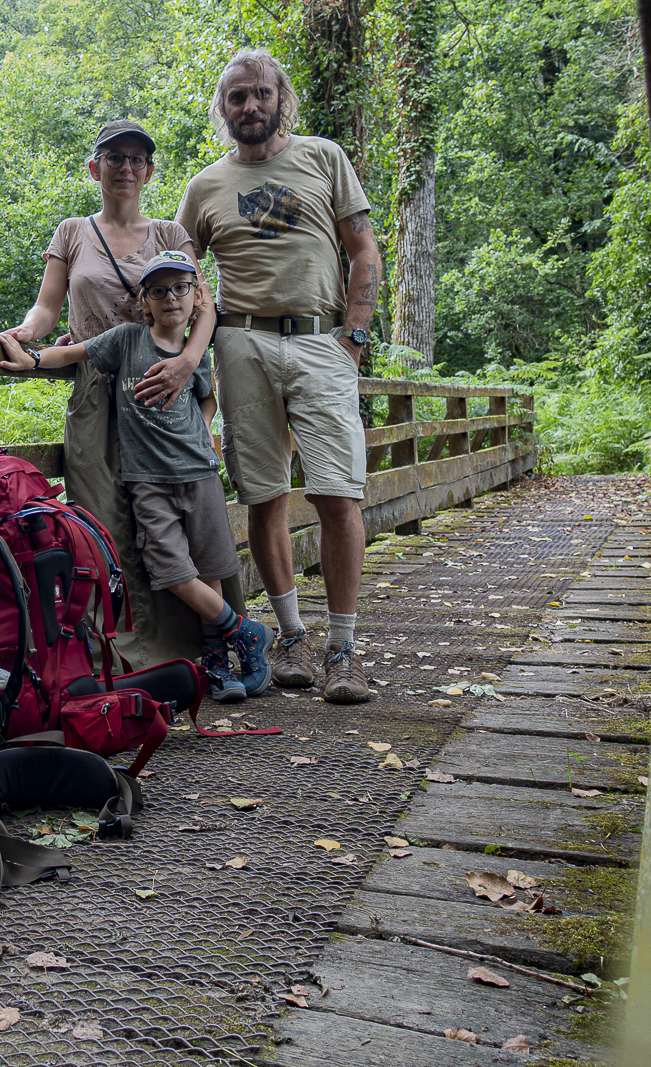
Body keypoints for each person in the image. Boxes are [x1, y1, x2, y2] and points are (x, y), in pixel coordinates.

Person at [174, 48, 383, 704]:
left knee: (336, 492)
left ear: (280, 98)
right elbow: (179, 275)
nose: (250, 106)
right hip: (243, 344)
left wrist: (355, 334)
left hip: (322, 338)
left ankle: (343, 648)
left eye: (260, 93)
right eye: (237, 98)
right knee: (263, 494)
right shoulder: (206, 186)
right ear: (224, 109)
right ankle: (292, 636)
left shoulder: (324, 158)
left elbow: (363, 248)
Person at [0, 251, 274, 702]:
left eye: (180, 288)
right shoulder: (127, 339)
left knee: (211, 567)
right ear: (144, 302)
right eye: (159, 290)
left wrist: (204, 428)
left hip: (199, 473)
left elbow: (208, 398)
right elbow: (75, 351)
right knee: (172, 571)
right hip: (146, 480)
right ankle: (247, 630)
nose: (170, 297)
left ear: (194, 296)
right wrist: (33, 359)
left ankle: (218, 659)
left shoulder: (193, 352)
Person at [0, 119, 223, 669]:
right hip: (98, 391)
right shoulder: (73, 231)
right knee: (104, 515)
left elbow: (205, 305)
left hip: (163, 388)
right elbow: (48, 307)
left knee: (180, 519)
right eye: (114, 157)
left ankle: (197, 649)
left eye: (137, 159)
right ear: (94, 168)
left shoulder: (170, 234)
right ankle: (123, 656)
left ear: (149, 170)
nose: (126, 167)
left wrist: (187, 364)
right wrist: (28, 337)